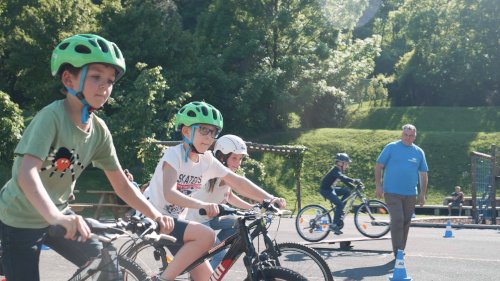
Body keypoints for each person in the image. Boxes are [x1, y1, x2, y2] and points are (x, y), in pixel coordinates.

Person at [0, 34, 181, 281]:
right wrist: (56, 216)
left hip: (61, 215)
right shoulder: (51, 117)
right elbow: (26, 173)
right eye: (96, 77)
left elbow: (121, 184)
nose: (104, 86)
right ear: (68, 79)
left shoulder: (98, 130)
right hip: (20, 218)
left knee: (108, 266)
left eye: (110, 80)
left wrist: (154, 214)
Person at [144, 101, 286, 277]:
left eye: (213, 132)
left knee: (208, 278)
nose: (209, 137)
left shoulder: (207, 160)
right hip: (153, 216)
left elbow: (238, 182)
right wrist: (202, 205)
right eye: (203, 130)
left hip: (176, 222)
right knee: (207, 235)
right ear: (186, 131)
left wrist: (270, 198)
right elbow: (169, 193)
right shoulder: (174, 155)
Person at [185, 134, 256, 268]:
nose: (238, 163)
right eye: (234, 158)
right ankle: (206, 267)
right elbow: (240, 188)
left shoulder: (227, 175)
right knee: (220, 255)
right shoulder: (209, 174)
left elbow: (229, 196)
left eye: (240, 158)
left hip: (212, 219)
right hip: (196, 221)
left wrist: (251, 208)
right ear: (222, 157)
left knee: (239, 223)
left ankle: (212, 251)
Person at [375, 124, 428, 258]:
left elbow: (423, 174)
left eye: (411, 136)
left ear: (415, 137)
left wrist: (422, 193)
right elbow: (379, 166)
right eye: (406, 135)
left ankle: (400, 249)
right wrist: (378, 185)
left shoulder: (419, 152)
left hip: (410, 193)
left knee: (406, 221)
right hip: (391, 191)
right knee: (398, 219)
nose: (408, 138)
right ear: (401, 134)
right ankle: (398, 251)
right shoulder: (391, 147)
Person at [319, 153, 359, 235]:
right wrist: (354, 180)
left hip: (331, 189)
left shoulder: (338, 171)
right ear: (340, 163)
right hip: (325, 190)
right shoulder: (335, 170)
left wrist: (354, 187)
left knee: (347, 191)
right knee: (339, 204)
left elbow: (344, 180)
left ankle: (339, 211)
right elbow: (343, 177)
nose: (347, 166)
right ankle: (333, 225)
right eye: (346, 164)